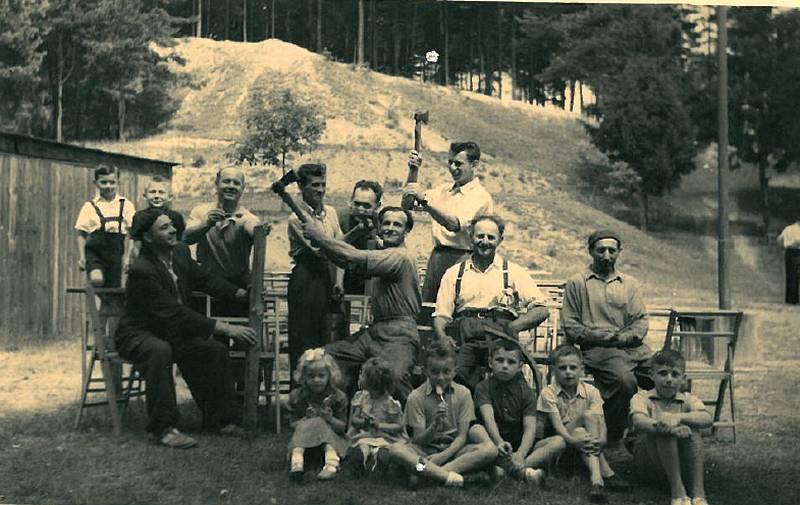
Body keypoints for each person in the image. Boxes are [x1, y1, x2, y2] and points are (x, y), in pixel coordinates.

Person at [115, 208, 257, 449]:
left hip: (171, 332)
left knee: (213, 350)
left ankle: (220, 420)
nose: (173, 230)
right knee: (160, 351)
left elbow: (206, 278)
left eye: (172, 225)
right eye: (164, 228)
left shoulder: (180, 253)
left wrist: (240, 293)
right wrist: (223, 327)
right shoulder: (142, 270)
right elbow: (173, 312)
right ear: (148, 238)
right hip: (139, 334)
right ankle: (163, 429)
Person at [302, 206, 421, 401]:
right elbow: (346, 261)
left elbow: (352, 256)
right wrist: (324, 244)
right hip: (374, 332)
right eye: (386, 223)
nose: (390, 228)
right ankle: (335, 415)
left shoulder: (399, 256)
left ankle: (413, 426)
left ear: (407, 231)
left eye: (397, 225)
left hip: (399, 335)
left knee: (395, 377)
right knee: (324, 358)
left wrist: (320, 237)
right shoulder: (383, 255)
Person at [433, 214, 549, 390]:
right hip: (466, 338)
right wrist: (443, 337)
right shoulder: (455, 273)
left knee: (512, 387)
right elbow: (442, 314)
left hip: (501, 337)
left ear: (500, 240)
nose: (485, 241)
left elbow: (541, 309)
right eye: (480, 236)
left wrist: (514, 327)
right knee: (455, 381)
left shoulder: (513, 272)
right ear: (471, 237)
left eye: (491, 237)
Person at [561, 229, 653, 446]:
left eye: (612, 250)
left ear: (619, 252)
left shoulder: (629, 283)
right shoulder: (577, 283)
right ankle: (613, 436)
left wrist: (626, 337)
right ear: (591, 251)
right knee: (625, 382)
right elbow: (571, 325)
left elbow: (641, 320)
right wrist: (599, 337)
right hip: (598, 350)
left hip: (632, 348)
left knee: (663, 374)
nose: (606, 255)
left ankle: (650, 433)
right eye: (601, 250)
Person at [387, 341, 498, 488]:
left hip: (454, 453)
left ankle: (428, 475)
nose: (440, 377)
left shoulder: (463, 393)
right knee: (396, 449)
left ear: (455, 371)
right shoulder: (416, 397)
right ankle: (452, 478)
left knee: (490, 449)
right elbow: (419, 440)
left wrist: (440, 458)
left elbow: (461, 437)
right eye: (434, 372)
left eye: (446, 372)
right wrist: (435, 425)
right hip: (424, 453)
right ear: (425, 371)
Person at [537, 344, 630, 503]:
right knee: (586, 417)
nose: (568, 372)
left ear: (582, 369)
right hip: (558, 443)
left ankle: (596, 481)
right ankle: (606, 473)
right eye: (562, 368)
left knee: (586, 424)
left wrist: (602, 439)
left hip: (583, 443)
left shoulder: (591, 391)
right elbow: (558, 426)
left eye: (573, 367)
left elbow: (600, 420)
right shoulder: (549, 392)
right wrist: (573, 440)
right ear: (554, 370)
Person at [403, 141, 494, 302]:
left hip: (462, 258)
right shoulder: (443, 190)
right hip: (437, 258)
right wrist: (413, 171)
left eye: (458, 164)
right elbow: (408, 204)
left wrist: (424, 199)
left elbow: (454, 224)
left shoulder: (480, 196)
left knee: (454, 308)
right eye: (450, 163)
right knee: (428, 308)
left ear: (474, 164)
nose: (453, 168)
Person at [629, 350, 712, 505]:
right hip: (649, 463)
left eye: (675, 375)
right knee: (664, 430)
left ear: (683, 379)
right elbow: (638, 420)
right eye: (663, 373)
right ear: (651, 375)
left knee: (693, 431)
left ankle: (699, 493)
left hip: (681, 464)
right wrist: (668, 427)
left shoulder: (687, 399)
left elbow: (707, 418)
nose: (669, 379)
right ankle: (678, 492)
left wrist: (678, 417)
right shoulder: (642, 397)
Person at [475, 339, 565, 484]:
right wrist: (499, 442)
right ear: (490, 363)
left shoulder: (526, 392)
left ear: (519, 367)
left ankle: (515, 467)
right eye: (499, 360)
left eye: (511, 362)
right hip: (495, 441)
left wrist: (521, 453)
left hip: (521, 442)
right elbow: (488, 419)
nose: (505, 366)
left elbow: (530, 428)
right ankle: (525, 473)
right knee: (477, 431)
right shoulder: (483, 388)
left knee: (559, 442)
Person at [284, 163, 344, 376]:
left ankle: (323, 394)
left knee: (325, 336)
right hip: (305, 278)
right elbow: (320, 250)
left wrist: (339, 281)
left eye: (323, 185)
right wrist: (338, 245)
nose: (320, 190)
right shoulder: (295, 218)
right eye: (314, 185)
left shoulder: (332, 213)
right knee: (303, 338)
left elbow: (339, 249)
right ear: (302, 187)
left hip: (327, 276)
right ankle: (300, 393)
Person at [184, 167, 260, 291]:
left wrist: (259, 231)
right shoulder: (200, 211)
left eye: (236, 183)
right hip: (206, 283)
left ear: (243, 188)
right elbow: (186, 238)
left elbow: (254, 230)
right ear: (217, 184)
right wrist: (207, 224)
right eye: (226, 181)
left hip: (238, 284)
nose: (231, 186)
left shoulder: (248, 218)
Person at [287, 348, 349, 482]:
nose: (316, 380)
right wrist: (305, 419)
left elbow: (343, 428)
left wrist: (330, 419)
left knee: (322, 425)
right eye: (311, 376)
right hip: (305, 437)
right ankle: (297, 463)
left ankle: (331, 464)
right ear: (304, 377)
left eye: (321, 376)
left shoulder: (338, 397)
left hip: (330, 438)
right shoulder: (298, 396)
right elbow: (292, 425)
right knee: (307, 427)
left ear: (330, 376)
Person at [74, 164, 136, 287]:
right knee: (97, 279)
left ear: (118, 182)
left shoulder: (125, 205)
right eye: (104, 182)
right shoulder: (90, 206)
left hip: (115, 254)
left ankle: (106, 305)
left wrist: (128, 257)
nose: (108, 186)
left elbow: (132, 234)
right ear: (95, 183)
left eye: (112, 182)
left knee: (112, 291)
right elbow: (81, 233)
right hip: (95, 252)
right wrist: (82, 257)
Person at [344, 357, 408, 475]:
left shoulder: (390, 403)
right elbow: (354, 419)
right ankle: (360, 459)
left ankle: (380, 460)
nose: (359, 377)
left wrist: (379, 425)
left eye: (362, 375)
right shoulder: (361, 397)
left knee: (383, 447)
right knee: (363, 444)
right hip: (365, 434)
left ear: (371, 383)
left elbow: (398, 426)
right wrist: (364, 422)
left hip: (384, 436)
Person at [338, 180, 383, 295]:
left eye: (367, 206)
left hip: (371, 281)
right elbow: (331, 247)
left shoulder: (382, 223)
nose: (360, 210)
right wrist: (355, 233)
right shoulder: (339, 218)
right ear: (351, 201)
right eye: (357, 204)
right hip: (341, 277)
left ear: (377, 206)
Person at [130, 175, 185, 264]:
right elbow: (137, 245)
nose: (156, 196)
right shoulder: (140, 217)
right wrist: (137, 265)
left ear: (170, 197)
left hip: (170, 262)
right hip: (147, 261)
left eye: (161, 192)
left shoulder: (176, 217)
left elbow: (179, 244)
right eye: (152, 192)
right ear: (144, 196)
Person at [777, 219, 800, 304]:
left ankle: (790, 299)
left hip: (789, 252)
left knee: (790, 275)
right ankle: (795, 299)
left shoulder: (787, 228)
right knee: (796, 276)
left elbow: (779, 239)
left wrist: (784, 246)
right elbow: (798, 240)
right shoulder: (798, 229)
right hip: (797, 251)